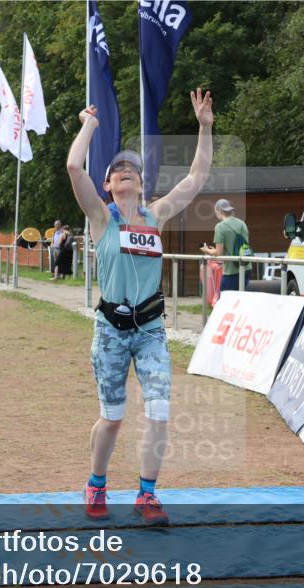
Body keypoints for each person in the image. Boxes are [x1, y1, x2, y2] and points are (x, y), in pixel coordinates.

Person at [67, 88, 213, 525]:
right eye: (118, 170)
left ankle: (147, 495)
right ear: (108, 184)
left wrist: (204, 127)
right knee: (111, 418)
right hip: (110, 331)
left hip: (150, 330)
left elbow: (197, 176)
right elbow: (75, 166)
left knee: (160, 411)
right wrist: (89, 124)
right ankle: (96, 483)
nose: (126, 172)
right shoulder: (100, 217)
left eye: (133, 169)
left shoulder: (156, 215)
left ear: (142, 184)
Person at [200, 199, 251, 292]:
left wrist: (207, 250)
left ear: (220, 211)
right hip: (246, 268)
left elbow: (218, 253)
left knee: (224, 300)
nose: (216, 214)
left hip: (231, 271)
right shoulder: (242, 223)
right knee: (240, 300)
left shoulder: (220, 227)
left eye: (216, 211)